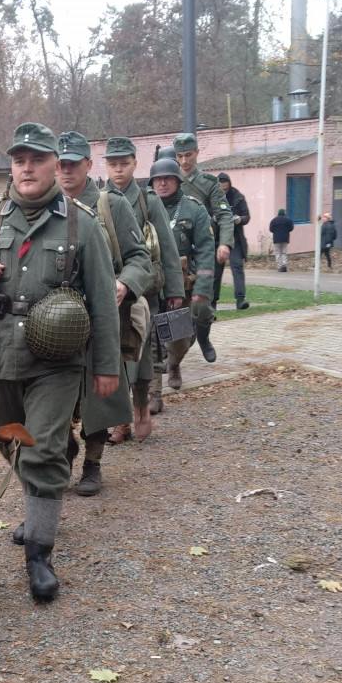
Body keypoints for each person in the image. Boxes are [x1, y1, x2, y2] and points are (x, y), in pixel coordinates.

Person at [0, 123, 121, 599]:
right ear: (12, 166)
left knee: (43, 449)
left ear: (54, 166)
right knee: (11, 442)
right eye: (19, 159)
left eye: (38, 159)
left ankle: (39, 555)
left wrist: (108, 367)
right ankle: (36, 507)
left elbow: (104, 302)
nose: (27, 167)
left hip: (57, 358)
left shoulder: (81, 224)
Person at [56, 131, 151, 482]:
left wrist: (125, 283)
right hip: (56, 321)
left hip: (99, 315)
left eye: (73, 164)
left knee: (99, 393)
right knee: (55, 394)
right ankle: (62, 452)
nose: (66, 171)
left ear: (87, 164)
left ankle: (93, 461)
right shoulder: (46, 208)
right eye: (61, 164)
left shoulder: (111, 204)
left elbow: (140, 258)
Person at [102, 137, 186, 419]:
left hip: (144, 287)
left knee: (147, 346)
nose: (118, 170)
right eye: (113, 164)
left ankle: (149, 399)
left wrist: (175, 290)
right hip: (110, 287)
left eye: (124, 164)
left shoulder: (147, 200)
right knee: (111, 351)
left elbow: (168, 246)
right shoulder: (99, 200)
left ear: (135, 164)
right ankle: (120, 414)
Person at [148, 156, 216, 391]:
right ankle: (152, 396)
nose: (162, 184)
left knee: (178, 339)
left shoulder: (192, 208)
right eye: (158, 179)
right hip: (148, 280)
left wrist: (202, 289)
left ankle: (174, 362)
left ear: (177, 181)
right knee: (149, 339)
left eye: (168, 179)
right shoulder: (141, 206)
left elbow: (207, 249)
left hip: (180, 282)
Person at [171, 133, 231, 361]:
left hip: (205, 251)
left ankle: (203, 338)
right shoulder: (168, 179)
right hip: (178, 252)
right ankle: (176, 356)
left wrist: (224, 243)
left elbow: (224, 214)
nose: (184, 161)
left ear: (197, 153)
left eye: (188, 155)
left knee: (203, 305)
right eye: (180, 156)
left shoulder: (209, 183)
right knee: (175, 302)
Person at [214, 172, 250, 309]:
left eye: (225, 184)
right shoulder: (213, 196)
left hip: (235, 238)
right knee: (216, 272)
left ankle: (240, 299)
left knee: (237, 268)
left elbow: (247, 216)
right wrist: (214, 219)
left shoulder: (238, 196)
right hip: (218, 238)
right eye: (220, 185)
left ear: (229, 183)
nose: (223, 187)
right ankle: (213, 301)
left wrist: (240, 219)